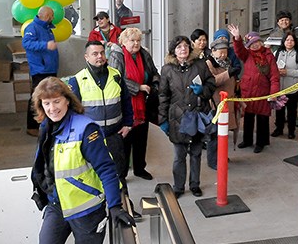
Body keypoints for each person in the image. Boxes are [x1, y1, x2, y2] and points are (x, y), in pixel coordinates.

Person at [31, 77, 132, 244]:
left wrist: (115, 204)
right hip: (57, 206)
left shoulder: (86, 129)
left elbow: (107, 169)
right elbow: (44, 163)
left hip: (87, 210)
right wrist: (41, 189)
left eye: (56, 101)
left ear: (67, 100)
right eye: (47, 103)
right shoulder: (47, 127)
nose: (52, 108)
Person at [67, 41, 135, 209]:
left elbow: (126, 101)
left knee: (118, 173)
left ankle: (124, 208)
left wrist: (128, 123)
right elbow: (73, 112)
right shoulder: (77, 80)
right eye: (95, 54)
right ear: (86, 57)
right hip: (92, 138)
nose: (100, 57)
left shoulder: (116, 75)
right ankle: (98, 210)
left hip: (115, 135)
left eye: (102, 53)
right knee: (93, 175)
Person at [158, 36, 215, 197]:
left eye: (185, 46)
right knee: (179, 155)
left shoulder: (200, 65)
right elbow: (163, 96)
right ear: (173, 51)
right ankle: (178, 187)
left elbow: (212, 84)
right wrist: (162, 120)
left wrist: (202, 90)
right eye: (178, 47)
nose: (183, 49)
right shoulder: (167, 69)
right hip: (177, 118)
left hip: (196, 115)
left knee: (196, 153)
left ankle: (195, 184)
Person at [229, 25, 280, 153]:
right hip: (248, 92)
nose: (255, 45)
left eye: (257, 42)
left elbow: (274, 76)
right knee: (248, 117)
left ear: (260, 42)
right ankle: (247, 140)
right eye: (252, 43)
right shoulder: (247, 55)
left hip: (263, 92)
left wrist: (273, 93)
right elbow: (239, 50)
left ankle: (261, 142)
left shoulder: (269, 56)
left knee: (262, 118)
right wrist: (237, 37)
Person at [118, 28, 160, 181]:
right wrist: (139, 87)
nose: (136, 43)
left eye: (138, 40)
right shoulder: (119, 56)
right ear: (123, 42)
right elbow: (118, 79)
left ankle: (140, 169)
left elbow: (154, 72)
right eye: (132, 40)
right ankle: (121, 174)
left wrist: (154, 85)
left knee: (141, 139)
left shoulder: (144, 54)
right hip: (127, 105)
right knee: (125, 142)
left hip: (144, 103)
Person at [23, 6, 59, 137]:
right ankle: (32, 126)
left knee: (49, 97)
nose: (53, 17)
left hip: (50, 69)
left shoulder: (48, 28)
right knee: (36, 97)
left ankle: (46, 124)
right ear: (45, 15)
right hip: (40, 70)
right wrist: (45, 45)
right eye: (52, 15)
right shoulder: (32, 28)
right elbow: (26, 43)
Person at [205, 37, 240, 170]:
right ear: (213, 51)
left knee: (224, 132)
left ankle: (222, 155)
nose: (223, 55)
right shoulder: (209, 64)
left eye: (225, 52)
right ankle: (213, 160)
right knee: (214, 134)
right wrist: (228, 73)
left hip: (228, 102)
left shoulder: (227, 62)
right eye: (220, 52)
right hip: (216, 103)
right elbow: (213, 81)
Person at [273, 31, 298, 139]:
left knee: (291, 112)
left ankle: (291, 131)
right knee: (279, 111)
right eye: (287, 40)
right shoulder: (278, 53)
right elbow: (271, 67)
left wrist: (288, 72)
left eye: (292, 40)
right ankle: (279, 128)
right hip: (279, 89)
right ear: (283, 41)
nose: (289, 42)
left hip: (292, 89)